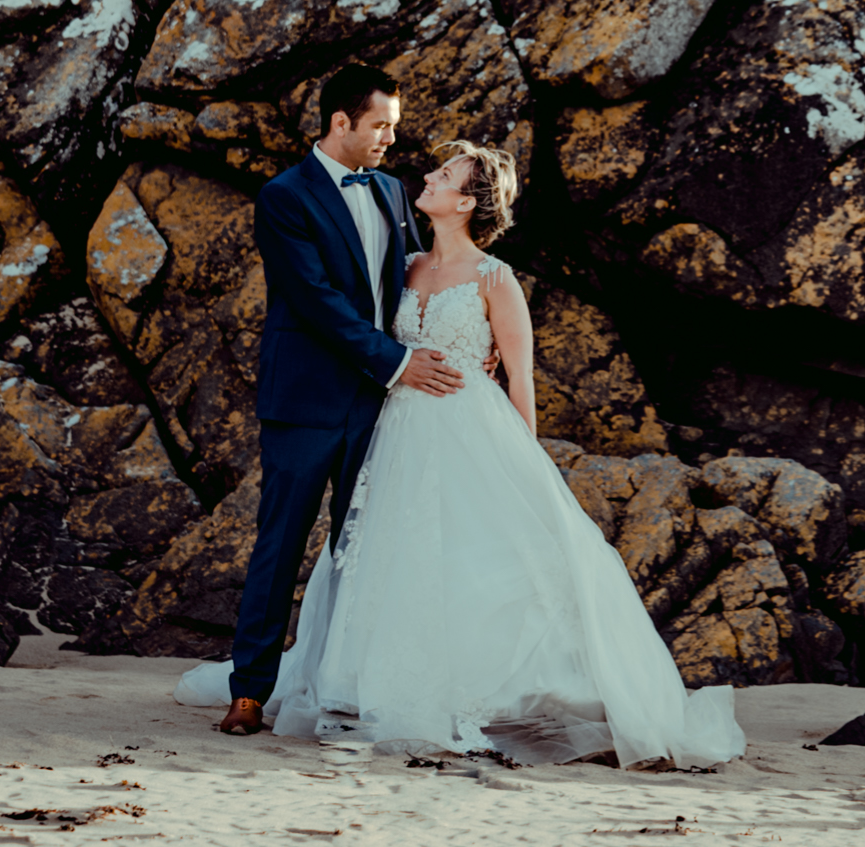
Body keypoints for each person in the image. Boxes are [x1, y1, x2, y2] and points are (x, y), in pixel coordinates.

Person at [181, 131, 745, 770]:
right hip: (393, 432)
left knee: (474, 560)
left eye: (447, 173)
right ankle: (372, 684)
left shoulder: (495, 278)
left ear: (468, 202)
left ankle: (487, 693)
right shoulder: (409, 264)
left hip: (466, 429)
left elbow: (520, 376)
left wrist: (524, 467)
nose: (430, 174)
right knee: (389, 558)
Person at [196, 62, 466, 737]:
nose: (389, 139)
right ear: (340, 121)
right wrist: (399, 361)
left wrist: (466, 334)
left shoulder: (391, 190)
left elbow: (414, 277)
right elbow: (315, 300)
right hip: (306, 397)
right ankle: (250, 692)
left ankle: (346, 683)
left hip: (380, 403)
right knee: (280, 544)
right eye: (380, 126)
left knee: (365, 546)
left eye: (393, 127)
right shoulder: (282, 196)